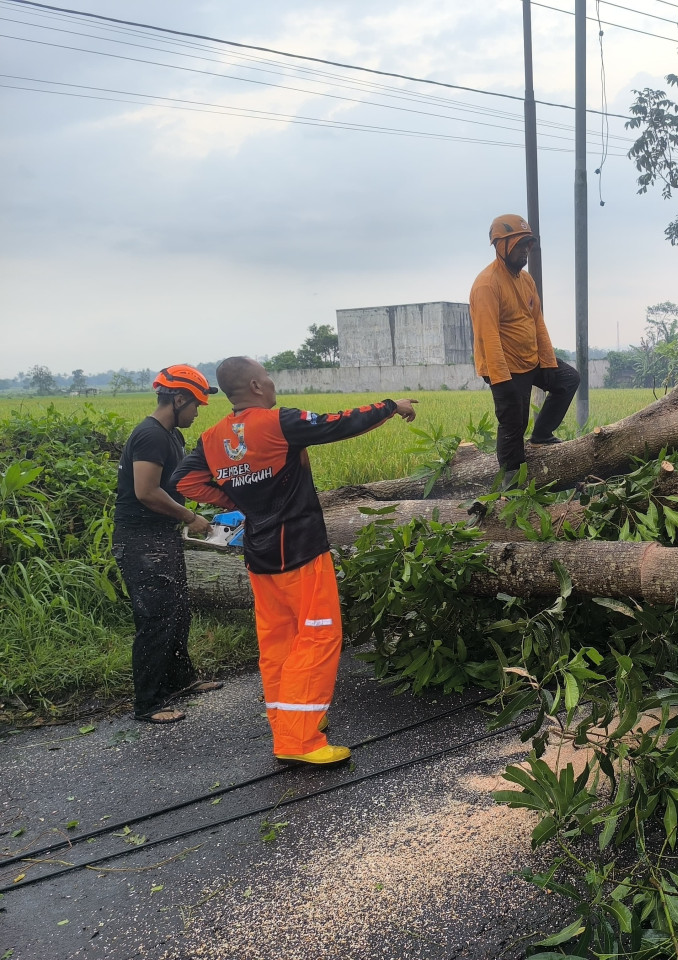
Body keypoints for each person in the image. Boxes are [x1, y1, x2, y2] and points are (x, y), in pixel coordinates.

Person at [173, 357, 417, 766]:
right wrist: (393, 405)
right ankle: (302, 741)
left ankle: (288, 730)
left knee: (278, 644)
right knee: (318, 637)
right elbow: (339, 423)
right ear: (255, 385)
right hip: (301, 550)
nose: (272, 384)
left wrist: (239, 500)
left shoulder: (212, 438)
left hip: (260, 555)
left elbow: (185, 481)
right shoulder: (277, 422)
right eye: (268, 377)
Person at [113, 365, 222, 724]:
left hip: (161, 535)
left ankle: (181, 679)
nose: (197, 412)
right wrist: (189, 517)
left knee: (177, 610)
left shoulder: (171, 434)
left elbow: (177, 483)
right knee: (155, 617)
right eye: (196, 406)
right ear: (178, 399)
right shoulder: (151, 436)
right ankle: (148, 703)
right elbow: (146, 492)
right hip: (141, 539)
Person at [469, 214, 581, 474]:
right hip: (505, 366)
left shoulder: (526, 280)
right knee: (513, 422)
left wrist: (549, 361)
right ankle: (511, 482)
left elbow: (537, 322)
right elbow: (488, 335)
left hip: (530, 359)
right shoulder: (487, 284)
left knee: (568, 380)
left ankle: (542, 433)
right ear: (501, 245)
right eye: (520, 246)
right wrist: (501, 379)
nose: (525, 252)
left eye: (527, 245)